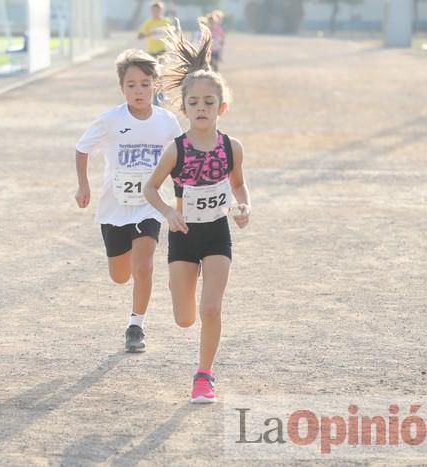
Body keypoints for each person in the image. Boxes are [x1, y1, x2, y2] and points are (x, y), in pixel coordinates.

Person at [143, 24, 250, 403]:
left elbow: (237, 184)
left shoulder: (231, 147)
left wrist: (242, 206)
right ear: (183, 107)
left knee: (211, 307)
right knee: (184, 317)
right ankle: (182, 308)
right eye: (194, 103)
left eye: (209, 102)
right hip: (183, 235)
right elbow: (150, 188)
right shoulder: (176, 150)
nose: (201, 108)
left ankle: (204, 375)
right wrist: (168, 215)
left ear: (222, 107)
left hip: (217, 233)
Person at [75, 49, 182, 353]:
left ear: (155, 86)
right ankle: (132, 280)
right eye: (131, 85)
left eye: (145, 84)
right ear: (122, 88)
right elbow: (82, 149)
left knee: (144, 266)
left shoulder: (167, 122)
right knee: (120, 275)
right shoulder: (110, 120)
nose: (139, 91)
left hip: (149, 205)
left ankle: (136, 325)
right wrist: (83, 185)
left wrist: (180, 198)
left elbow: (179, 158)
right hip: (114, 206)